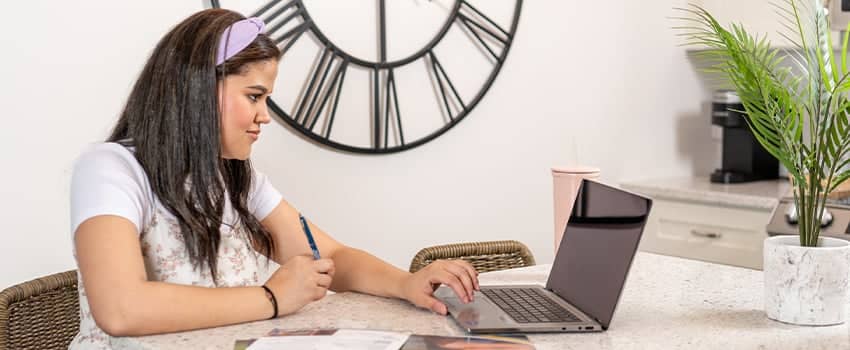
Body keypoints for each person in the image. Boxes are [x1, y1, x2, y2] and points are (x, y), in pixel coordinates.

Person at [69, 9, 479, 349]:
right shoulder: (111, 169)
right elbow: (121, 308)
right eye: (254, 96)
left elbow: (333, 258)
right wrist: (271, 298)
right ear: (198, 88)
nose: (264, 115)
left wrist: (407, 283)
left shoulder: (235, 179)